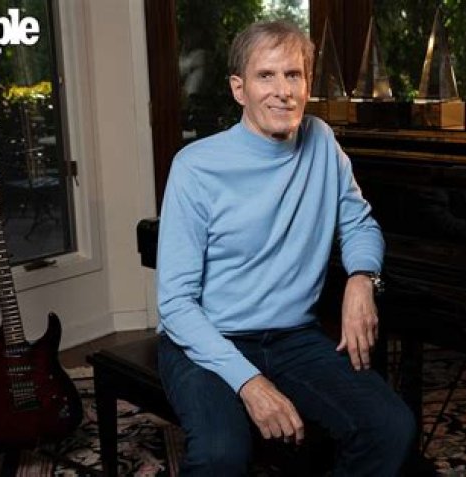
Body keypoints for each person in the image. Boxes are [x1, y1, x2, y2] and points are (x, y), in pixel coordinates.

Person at [155, 20, 416, 476]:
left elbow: (360, 224)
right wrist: (250, 382)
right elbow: (176, 305)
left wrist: (361, 279)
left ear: (308, 85)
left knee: (390, 426)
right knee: (221, 453)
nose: (282, 91)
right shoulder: (195, 167)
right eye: (266, 76)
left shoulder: (322, 142)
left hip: (293, 337)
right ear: (239, 89)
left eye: (293, 75)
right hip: (206, 339)